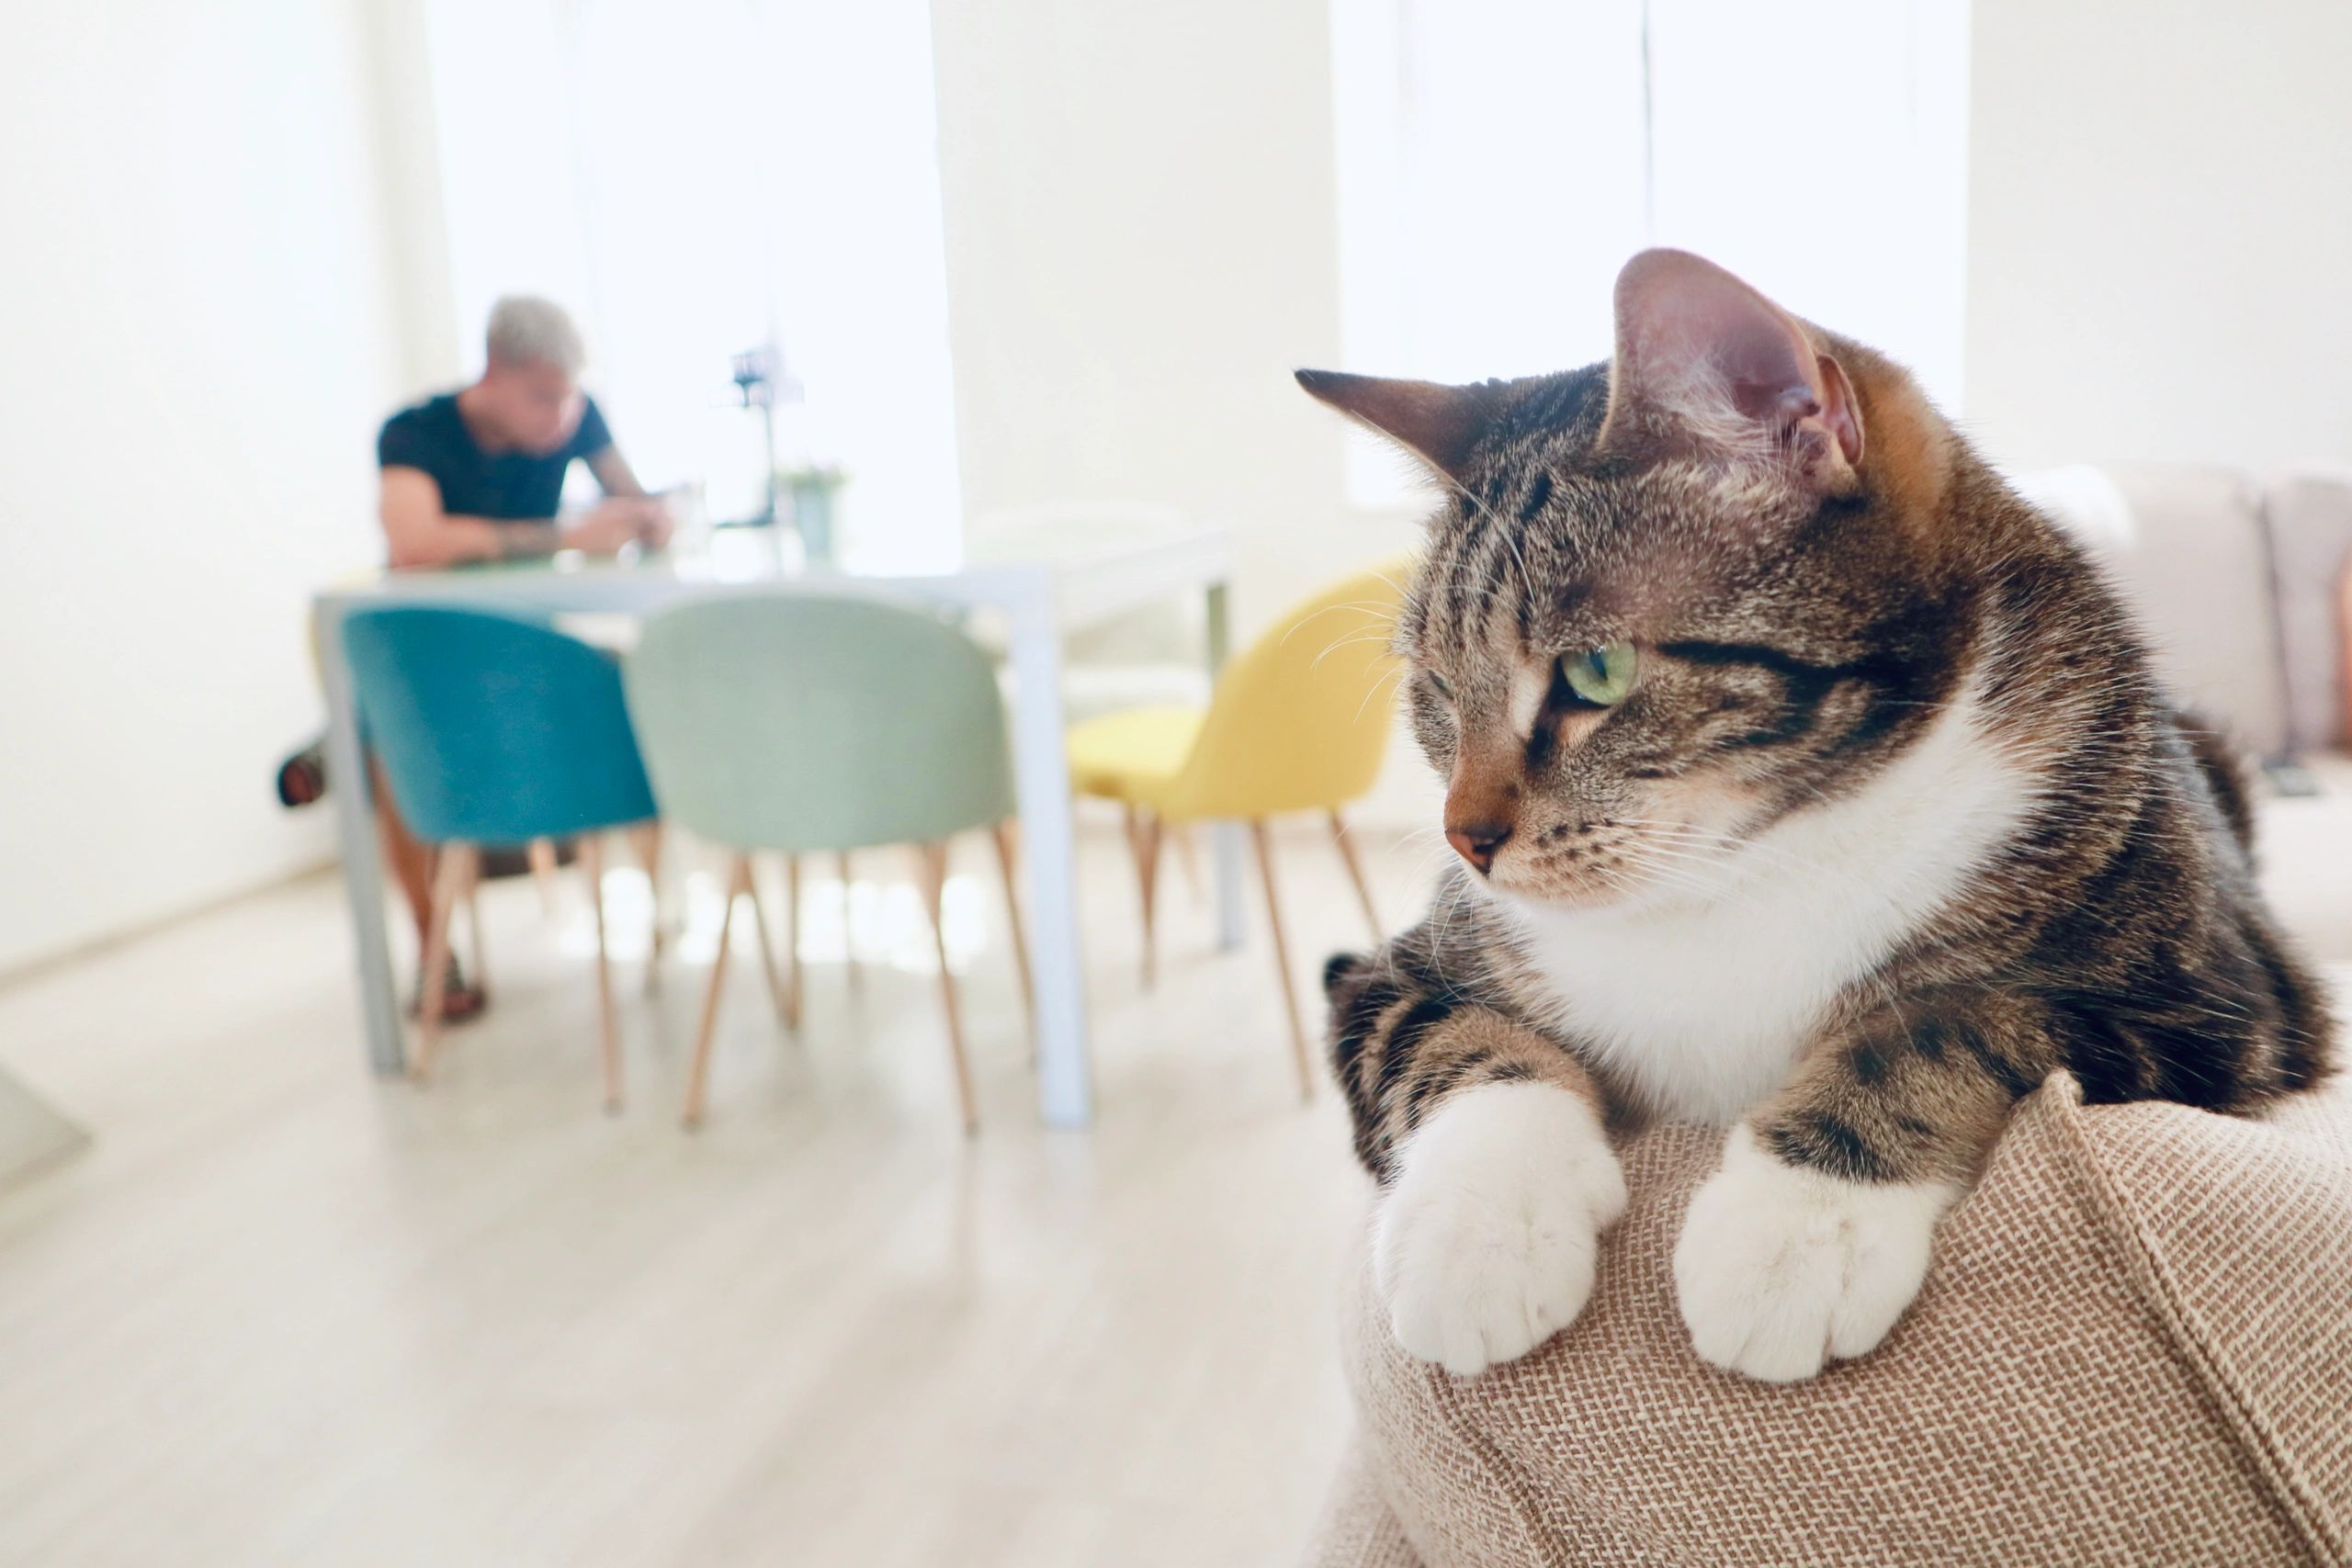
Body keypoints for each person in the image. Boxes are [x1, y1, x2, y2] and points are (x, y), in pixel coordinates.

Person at [329, 297, 672, 1020]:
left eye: (570, 394)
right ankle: (432, 947)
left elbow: (637, 504)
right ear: (494, 372)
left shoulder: (576, 418)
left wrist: (650, 516)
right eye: (543, 395)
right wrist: (563, 535)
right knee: (382, 729)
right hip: (433, 652)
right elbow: (414, 544)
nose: (561, 413)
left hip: (535, 655)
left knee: (633, 685)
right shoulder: (416, 432)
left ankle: (659, 910)